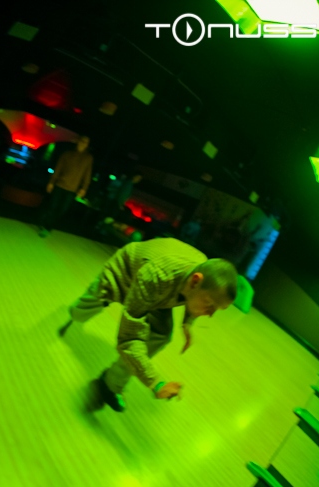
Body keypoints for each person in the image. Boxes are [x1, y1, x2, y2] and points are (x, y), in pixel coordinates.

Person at [59, 238, 237, 412]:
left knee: (161, 335)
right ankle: (74, 312)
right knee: (80, 311)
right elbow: (128, 340)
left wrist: (187, 323)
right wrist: (156, 383)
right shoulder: (155, 277)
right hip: (123, 273)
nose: (210, 314)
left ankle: (110, 384)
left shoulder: (201, 274)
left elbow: (194, 296)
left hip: (159, 292)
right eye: (210, 305)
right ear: (195, 281)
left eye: (216, 309)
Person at [38, 135, 93, 236]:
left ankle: (47, 222)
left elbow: (87, 174)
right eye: (82, 141)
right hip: (60, 184)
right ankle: (47, 227)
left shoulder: (88, 158)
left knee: (62, 210)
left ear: (87, 145)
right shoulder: (67, 154)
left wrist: (84, 188)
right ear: (78, 141)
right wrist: (51, 182)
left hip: (72, 189)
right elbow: (58, 168)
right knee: (53, 206)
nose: (83, 143)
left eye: (86, 142)